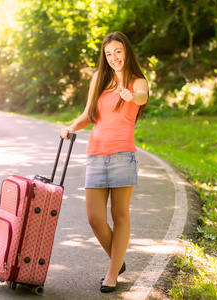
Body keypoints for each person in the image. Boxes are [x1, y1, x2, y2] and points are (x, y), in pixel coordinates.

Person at [60, 31, 149, 293]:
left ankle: (112, 274)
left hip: (123, 155)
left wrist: (132, 96)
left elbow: (143, 95)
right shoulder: (99, 78)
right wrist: (71, 126)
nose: (113, 58)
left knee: (119, 216)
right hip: (96, 154)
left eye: (118, 52)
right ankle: (118, 259)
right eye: (109, 54)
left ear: (126, 52)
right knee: (94, 217)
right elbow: (89, 114)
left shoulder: (137, 81)